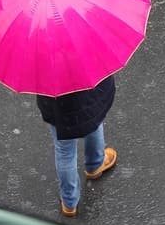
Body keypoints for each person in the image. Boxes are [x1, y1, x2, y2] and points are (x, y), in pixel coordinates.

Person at [36, 76, 118, 217]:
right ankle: (95, 165)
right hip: (89, 98)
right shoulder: (87, 52)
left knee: (64, 150)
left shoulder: (42, 55)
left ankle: (69, 203)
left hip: (57, 106)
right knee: (94, 124)